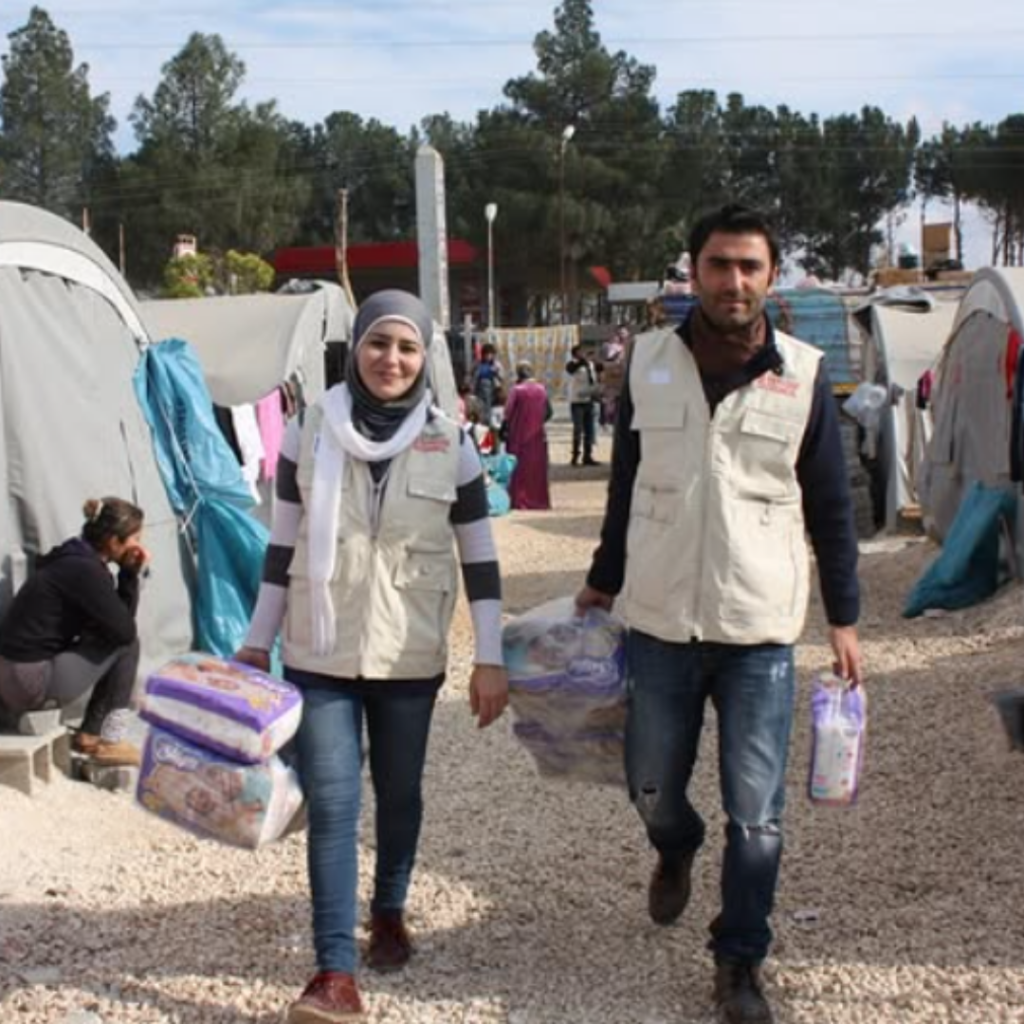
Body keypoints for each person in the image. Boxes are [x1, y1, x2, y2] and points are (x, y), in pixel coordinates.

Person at [576, 204, 862, 1024]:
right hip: (661, 620)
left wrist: (843, 616)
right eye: (719, 264)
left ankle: (739, 961)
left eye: (749, 266)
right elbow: (628, 484)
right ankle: (675, 846)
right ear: (692, 271)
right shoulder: (649, 362)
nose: (733, 281)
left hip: (758, 630)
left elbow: (832, 505)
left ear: (770, 276)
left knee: (758, 815)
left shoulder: (802, 374)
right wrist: (602, 579)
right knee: (649, 786)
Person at [235, 289, 509, 1024]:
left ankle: (389, 908)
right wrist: (257, 640)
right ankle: (334, 972)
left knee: (400, 792)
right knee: (333, 803)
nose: (392, 359)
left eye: (408, 347)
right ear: (354, 349)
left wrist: (489, 657)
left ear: (425, 357)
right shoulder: (307, 429)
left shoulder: (452, 442)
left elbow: (480, 560)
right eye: (378, 343)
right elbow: (281, 548)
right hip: (318, 649)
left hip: (408, 653)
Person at [0, 497, 149, 767]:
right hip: (30, 682)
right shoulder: (85, 571)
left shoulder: (70, 557)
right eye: (135, 539)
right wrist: (129, 574)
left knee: (114, 635)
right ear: (113, 541)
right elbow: (124, 632)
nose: (139, 546)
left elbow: (114, 623)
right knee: (128, 644)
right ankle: (108, 740)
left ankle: (92, 732)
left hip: (11, 676)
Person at [501, 361, 552, 511]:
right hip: (537, 436)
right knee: (536, 468)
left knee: (519, 468)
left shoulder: (517, 390)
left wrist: (506, 428)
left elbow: (508, 412)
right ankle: (538, 499)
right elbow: (549, 412)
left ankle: (519, 499)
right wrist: (538, 421)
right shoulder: (542, 389)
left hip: (518, 435)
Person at [565, 344, 600, 466]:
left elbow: (595, 377)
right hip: (577, 401)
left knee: (589, 430)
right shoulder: (572, 364)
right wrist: (581, 362)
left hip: (589, 400)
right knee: (578, 430)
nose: (584, 353)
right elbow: (571, 370)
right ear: (575, 353)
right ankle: (575, 456)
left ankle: (587, 456)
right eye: (581, 352)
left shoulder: (590, 365)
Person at [471, 342, 505, 426]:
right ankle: (483, 423)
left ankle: (490, 424)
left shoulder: (496, 364)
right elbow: (472, 377)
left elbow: (502, 378)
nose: (488, 356)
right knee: (481, 409)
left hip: (493, 391)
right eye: (487, 354)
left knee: (491, 411)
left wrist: (496, 373)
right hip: (479, 390)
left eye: (491, 354)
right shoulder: (478, 364)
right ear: (483, 354)